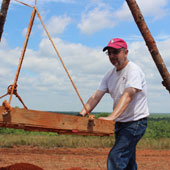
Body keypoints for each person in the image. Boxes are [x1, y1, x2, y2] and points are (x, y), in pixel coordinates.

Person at [79, 38, 149, 170]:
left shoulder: (133, 70)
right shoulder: (109, 74)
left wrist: (111, 117)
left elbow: (128, 95)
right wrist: (81, 114)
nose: (112, 56)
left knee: (116, 157)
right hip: (121, 123)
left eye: (115, 52)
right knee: (128, 162)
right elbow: (96, 97)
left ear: (126, 52)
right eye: (109, 53)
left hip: (135, 122)